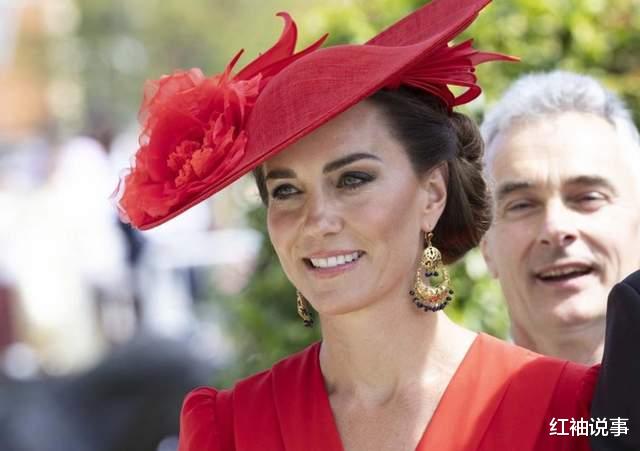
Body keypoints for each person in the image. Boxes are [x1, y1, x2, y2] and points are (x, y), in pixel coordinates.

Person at [115, 1, 610, 450]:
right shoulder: (230, 428)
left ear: (432, 195)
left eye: (352, 179)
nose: (318, 220)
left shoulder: (572, 411)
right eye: (286, 190)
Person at [479, 71, 640, 365]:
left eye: (588, 198)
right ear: (485, 245)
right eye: (522, 205)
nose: (555, 228)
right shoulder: (453, 394)